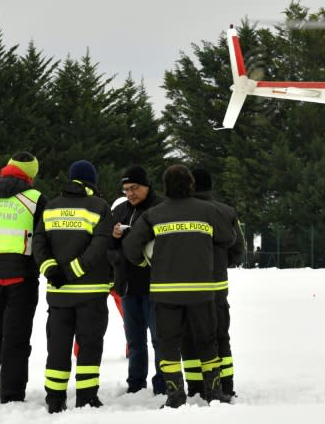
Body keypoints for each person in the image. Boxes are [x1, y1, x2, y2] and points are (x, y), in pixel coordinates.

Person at [122, 164, 236, 409]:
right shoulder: (207, 211)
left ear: (164, 187)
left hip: (166, 292)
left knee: (169, 344)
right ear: (191, 185)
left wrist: (147, 260)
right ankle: (214, 393)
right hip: (201, 290)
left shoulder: (154, 214)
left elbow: (131, 247)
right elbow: (228, 238)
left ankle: (175, 396)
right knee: (207, 342)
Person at [32, 160, 113, 413]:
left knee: (57, 345)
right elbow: (99, 246)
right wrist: (74, 271)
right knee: (89, 345)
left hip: (58, 293)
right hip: (91, 291)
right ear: (92, 181)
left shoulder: (52, 205)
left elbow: (39, 243)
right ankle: (87, 397)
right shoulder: (100, 206)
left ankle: (55, 399)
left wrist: (51, 270)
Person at [0, 152, 48, 403]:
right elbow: (41, 238)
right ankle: (12, 395)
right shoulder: (35, 199)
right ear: (31, 175)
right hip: (22, 277)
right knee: (17, 336)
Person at [180, 168, 246, 398]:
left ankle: (196, 387)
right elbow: (238, 250)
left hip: (186, 287)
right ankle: (226, 385)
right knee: (220, 337)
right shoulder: (226, 211)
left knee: (188, 337)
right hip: (217, 286)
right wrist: (219, 262)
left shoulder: (181, 212)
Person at [110, 164, 165, 394]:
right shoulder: (120, 210)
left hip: (155, 285)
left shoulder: (161, 207)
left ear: (146, 186)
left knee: (159, 339)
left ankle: (163, 383)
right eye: (126, 189)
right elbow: (108, 247)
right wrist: (113, 238)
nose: (130, 193)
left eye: (134, 188)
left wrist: (135, 236)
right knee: (134, 341)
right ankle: (135, 383)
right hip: (128, 286)